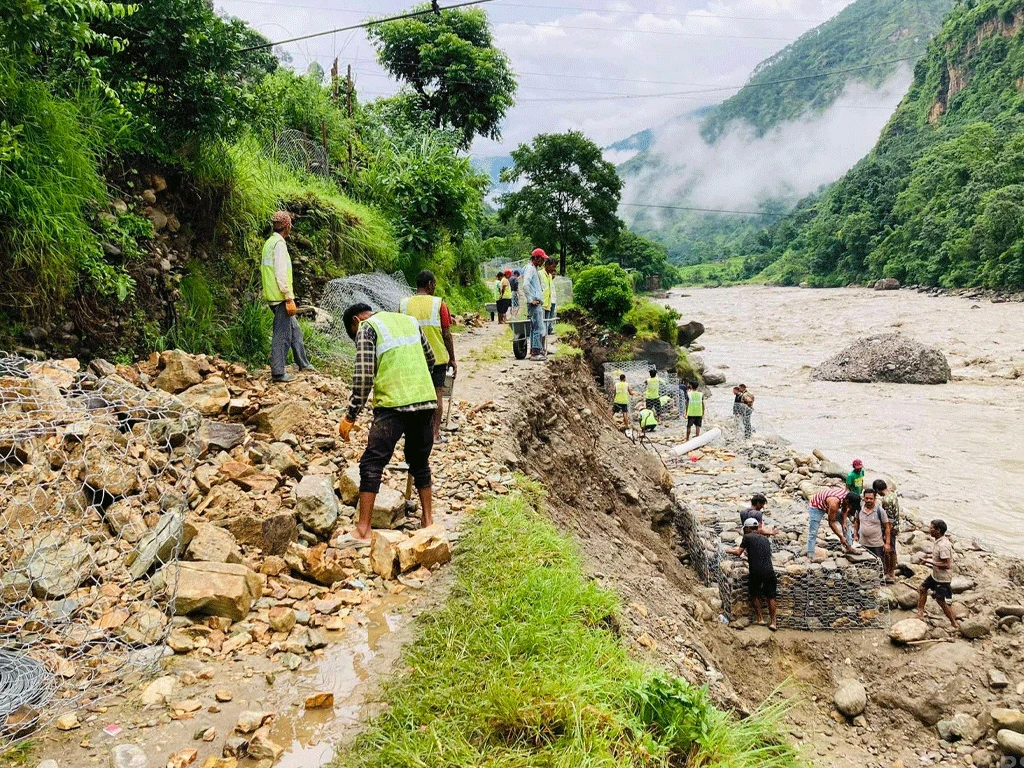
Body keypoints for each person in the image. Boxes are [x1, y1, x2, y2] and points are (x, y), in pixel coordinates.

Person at [337, 303, 437, 541]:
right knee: (419, 461)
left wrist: (351, 415)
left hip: (393, 404)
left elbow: (363, 378)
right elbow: (430, 359)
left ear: (354, 321)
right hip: (425, 401)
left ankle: (363, 530)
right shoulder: (408, 321)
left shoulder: (367, 328)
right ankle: (428, 522)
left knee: (372, 462)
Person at [400, 270, 457, 440]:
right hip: (437, 358)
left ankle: (412, 433)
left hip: (412, 357)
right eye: (435, 285)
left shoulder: (404, 304)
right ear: (430, 284)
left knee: (413, 395)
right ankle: (435, 435)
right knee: (437, 394)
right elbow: (446, 333)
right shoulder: (439, 304)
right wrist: (452, 358)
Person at [261, 211, 312, 383]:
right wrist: (289, 297)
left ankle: (303, 363)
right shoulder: (280, 245)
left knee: (295, 329)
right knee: (282, 335)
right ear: (288, 227)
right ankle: (278, 373)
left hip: (273, 295)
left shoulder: (270, 242)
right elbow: (281, 274)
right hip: (280, 297)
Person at [726, 518, 778, 631]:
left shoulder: (747, 537)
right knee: (771, 596)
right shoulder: (765, 539)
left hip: (756, 572)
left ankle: (760, 618)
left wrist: (729, 550)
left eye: (745, 528)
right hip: (770, 571)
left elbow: (739, 552)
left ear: (748, 528)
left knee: (754, 594)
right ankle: (773, 622)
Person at [917, 519, 959, 630]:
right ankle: (920, 613)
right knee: (922, 588)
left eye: (931, 528)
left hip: (942, 578)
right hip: (935, 575)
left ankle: (954, 623)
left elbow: (946, 564)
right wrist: (928, 556)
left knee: (941, 601)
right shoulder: (938, 540)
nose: (929, 530)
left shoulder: (944, 545)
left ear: (938, 530)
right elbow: (937, 555)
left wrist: (928, 561)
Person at [807, 487, 859, 556]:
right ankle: (810, 554)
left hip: (827, 501)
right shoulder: (834, 503)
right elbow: (831, 522)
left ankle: (849, 548)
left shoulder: (847, 496)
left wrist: (844, 523)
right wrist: (841, 537)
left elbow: (845, 508)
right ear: (847, 501)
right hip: (816, 505)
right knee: (813, 531)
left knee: (847, 523)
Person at [853, 487, 891, 563]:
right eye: (866, 498)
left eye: (871, 498)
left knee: (879, 564)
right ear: (863, 498)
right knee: (864, 564)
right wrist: (855, 535)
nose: (869, 500)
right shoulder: (860, 509)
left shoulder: (880, 511)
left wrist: (887, 543)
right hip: (863, 543)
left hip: (877, 545)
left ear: (875, 499)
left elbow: (887, 527)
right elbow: (856, 522)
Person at [873, 478, 900, 581]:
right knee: (892, 549)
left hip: (891, 528)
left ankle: (890, 572)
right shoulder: (893, 495)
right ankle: (891, 570)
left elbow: (888, 519)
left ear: (878, 490)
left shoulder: (886, 500)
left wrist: (886, 533)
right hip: (896, 526)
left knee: (889, 550)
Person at [523, 249, 546, 361]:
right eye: (542, 259)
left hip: (536, 302)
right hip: (534, 303)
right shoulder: (530, 269)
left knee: (535, 327)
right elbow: (525, 285)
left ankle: (535, 350)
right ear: (536, 258)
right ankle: (535, 353)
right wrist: (530, 299)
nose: (542, 262)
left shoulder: (533, 269)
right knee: (537, 326)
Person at [541, 257, 557, 353]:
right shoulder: (540, 274)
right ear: (547, 265)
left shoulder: (549, 276)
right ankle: (539, 348)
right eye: (553, 266)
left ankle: (544, 348)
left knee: (545, 328)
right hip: (542, 305)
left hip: (548, 305)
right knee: (541, 328)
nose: (554, 269)